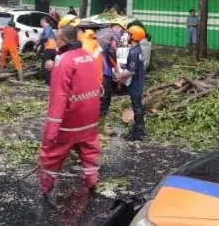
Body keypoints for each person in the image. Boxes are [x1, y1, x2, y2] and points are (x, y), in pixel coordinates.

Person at [37, 25, 102, 196]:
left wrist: (51, 130)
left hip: (70, 117)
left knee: (53, 152)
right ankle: (91, 180)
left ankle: (45, 187)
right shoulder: (86, 55)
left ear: (64, 40)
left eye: (57, 37)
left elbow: (59, 95)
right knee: (89, 148)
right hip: (90, 114)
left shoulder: (63, 60)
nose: (54, 40)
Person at [117, 26, 147, 141]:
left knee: (137, 107)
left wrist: (119, 76)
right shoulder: (138, 50)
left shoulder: (134, 52)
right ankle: (139, 130)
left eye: (129, 34)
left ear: (133, 36)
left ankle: (138, 133)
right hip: (138, 83)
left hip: (135, 85)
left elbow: (131, 71)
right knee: (138, 106)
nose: (128, 36)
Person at [98, 21, 126, 118]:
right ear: (118, 27)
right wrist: (117, 71)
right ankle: (100, 125)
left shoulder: (101, 32)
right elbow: (111, 52)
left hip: (93, 69)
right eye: (122, 30)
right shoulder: (115, 34)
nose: (122, 33)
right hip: (103, 71)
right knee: (105, 98)